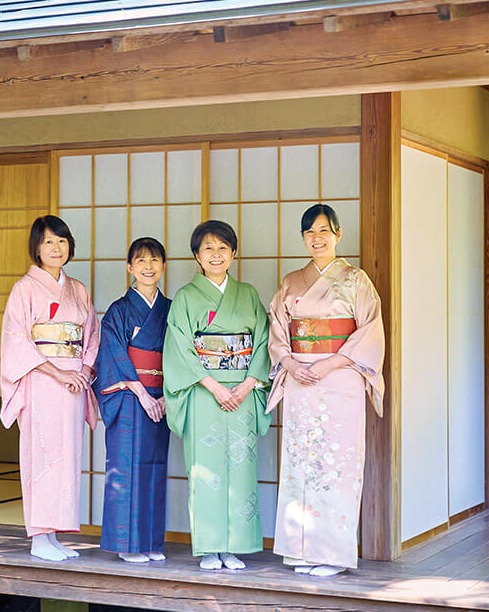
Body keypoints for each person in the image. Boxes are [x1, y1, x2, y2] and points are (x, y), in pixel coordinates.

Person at [267, 203, 384, 577]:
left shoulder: (356, 280)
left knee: (336, 464)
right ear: (303, 238)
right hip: (301, 379)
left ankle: (332, 554)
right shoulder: (290, 281)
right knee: (301, 464)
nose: (316, 239)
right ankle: (301, 549)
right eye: (309, 233)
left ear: (338, 235)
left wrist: (328, 363)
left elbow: (370, 331)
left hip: (340, 377)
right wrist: (290, 365)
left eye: (323, 231)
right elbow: (278, 331)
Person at [162, 220, 271, 571]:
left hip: (241, 390)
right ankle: (210, 547)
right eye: (208, 248)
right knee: (204, 469)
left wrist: (247, 384)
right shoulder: (186, 297)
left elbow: (264, 343)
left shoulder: (249, 295)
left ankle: (235, 546)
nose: (216, 254)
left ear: (234, 253)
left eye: (223, 248)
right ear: (196, 255)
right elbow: (179, 346)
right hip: (204, 391)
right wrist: (214, 385)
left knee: (241, 467)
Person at [0, 215, 99, 562]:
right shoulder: (24, 289)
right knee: (42, 455)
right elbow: (17, 340)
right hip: (42, 381)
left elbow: (91, 336)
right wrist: (58, 373)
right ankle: (38, 536)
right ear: (36, 249)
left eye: (62, 241)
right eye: (48, 242)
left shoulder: (79, 289)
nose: (56, 248)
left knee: (67, 457)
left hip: (73, 383)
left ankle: (53, 534)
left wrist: (83, 370)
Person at [94, 237, 171, 563]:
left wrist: (168, 394)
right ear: (129, 267)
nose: (148, 267)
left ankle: (151, 541)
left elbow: (180, 353)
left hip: (162, 397)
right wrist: (141, 393)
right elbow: (111, 354)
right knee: (127, 467)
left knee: (155, 467)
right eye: (141, 261)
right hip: (129, 396)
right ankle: (127, 544)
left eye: (154, 260)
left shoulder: (170, 309)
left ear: (164, 266)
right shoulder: (119, 310)